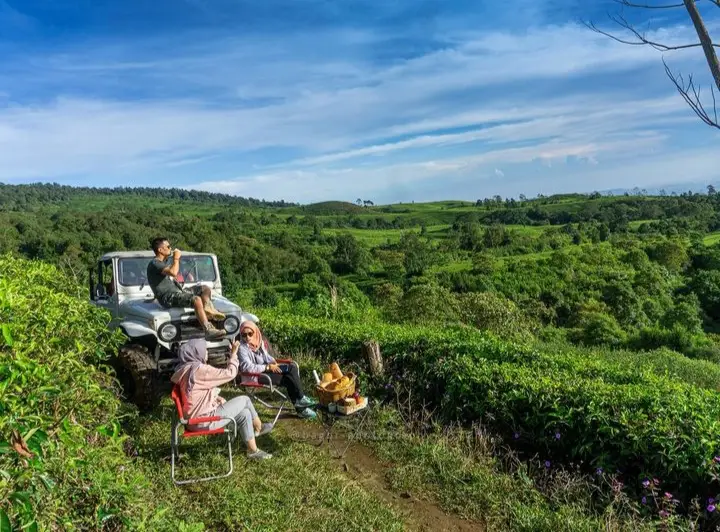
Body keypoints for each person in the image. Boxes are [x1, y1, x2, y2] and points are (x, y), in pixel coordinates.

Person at [171, 338, 273, 460]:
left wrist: (215, 398)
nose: (207, 353)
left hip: (194, 420)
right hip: (204, 421)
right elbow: (230, 373)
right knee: (245, 399)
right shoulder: (199, 370)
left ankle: (252, 451)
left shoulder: (186, 369)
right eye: (205, 350)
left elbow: (196, 394)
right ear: (197, 353)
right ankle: (259, 427)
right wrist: (234, 354)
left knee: (244, 413)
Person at [146, 237, 225, 341]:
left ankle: (208, 308)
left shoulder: (162, 263)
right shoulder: (155, 263)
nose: (171, 248)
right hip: (167, 297)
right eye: (168, 247)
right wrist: (176, 258)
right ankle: (208, 330)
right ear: (160, 250)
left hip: (177, 291)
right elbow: (173, 272)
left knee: (204, 288)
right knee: (196, 299)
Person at [237, 320, 318, 419]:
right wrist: (267, 367)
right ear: (241, 334)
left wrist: (275, 362)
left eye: (250, 334)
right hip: (255, 376)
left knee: (292, 366)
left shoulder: (258, 342)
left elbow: (266, 357)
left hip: (266, 369)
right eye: (244, 335)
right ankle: (301, 404)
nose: (247, 337)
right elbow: (247, 368)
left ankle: (300, 403)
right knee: (288, 378)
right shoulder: (242, 348)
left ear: (255, 332)